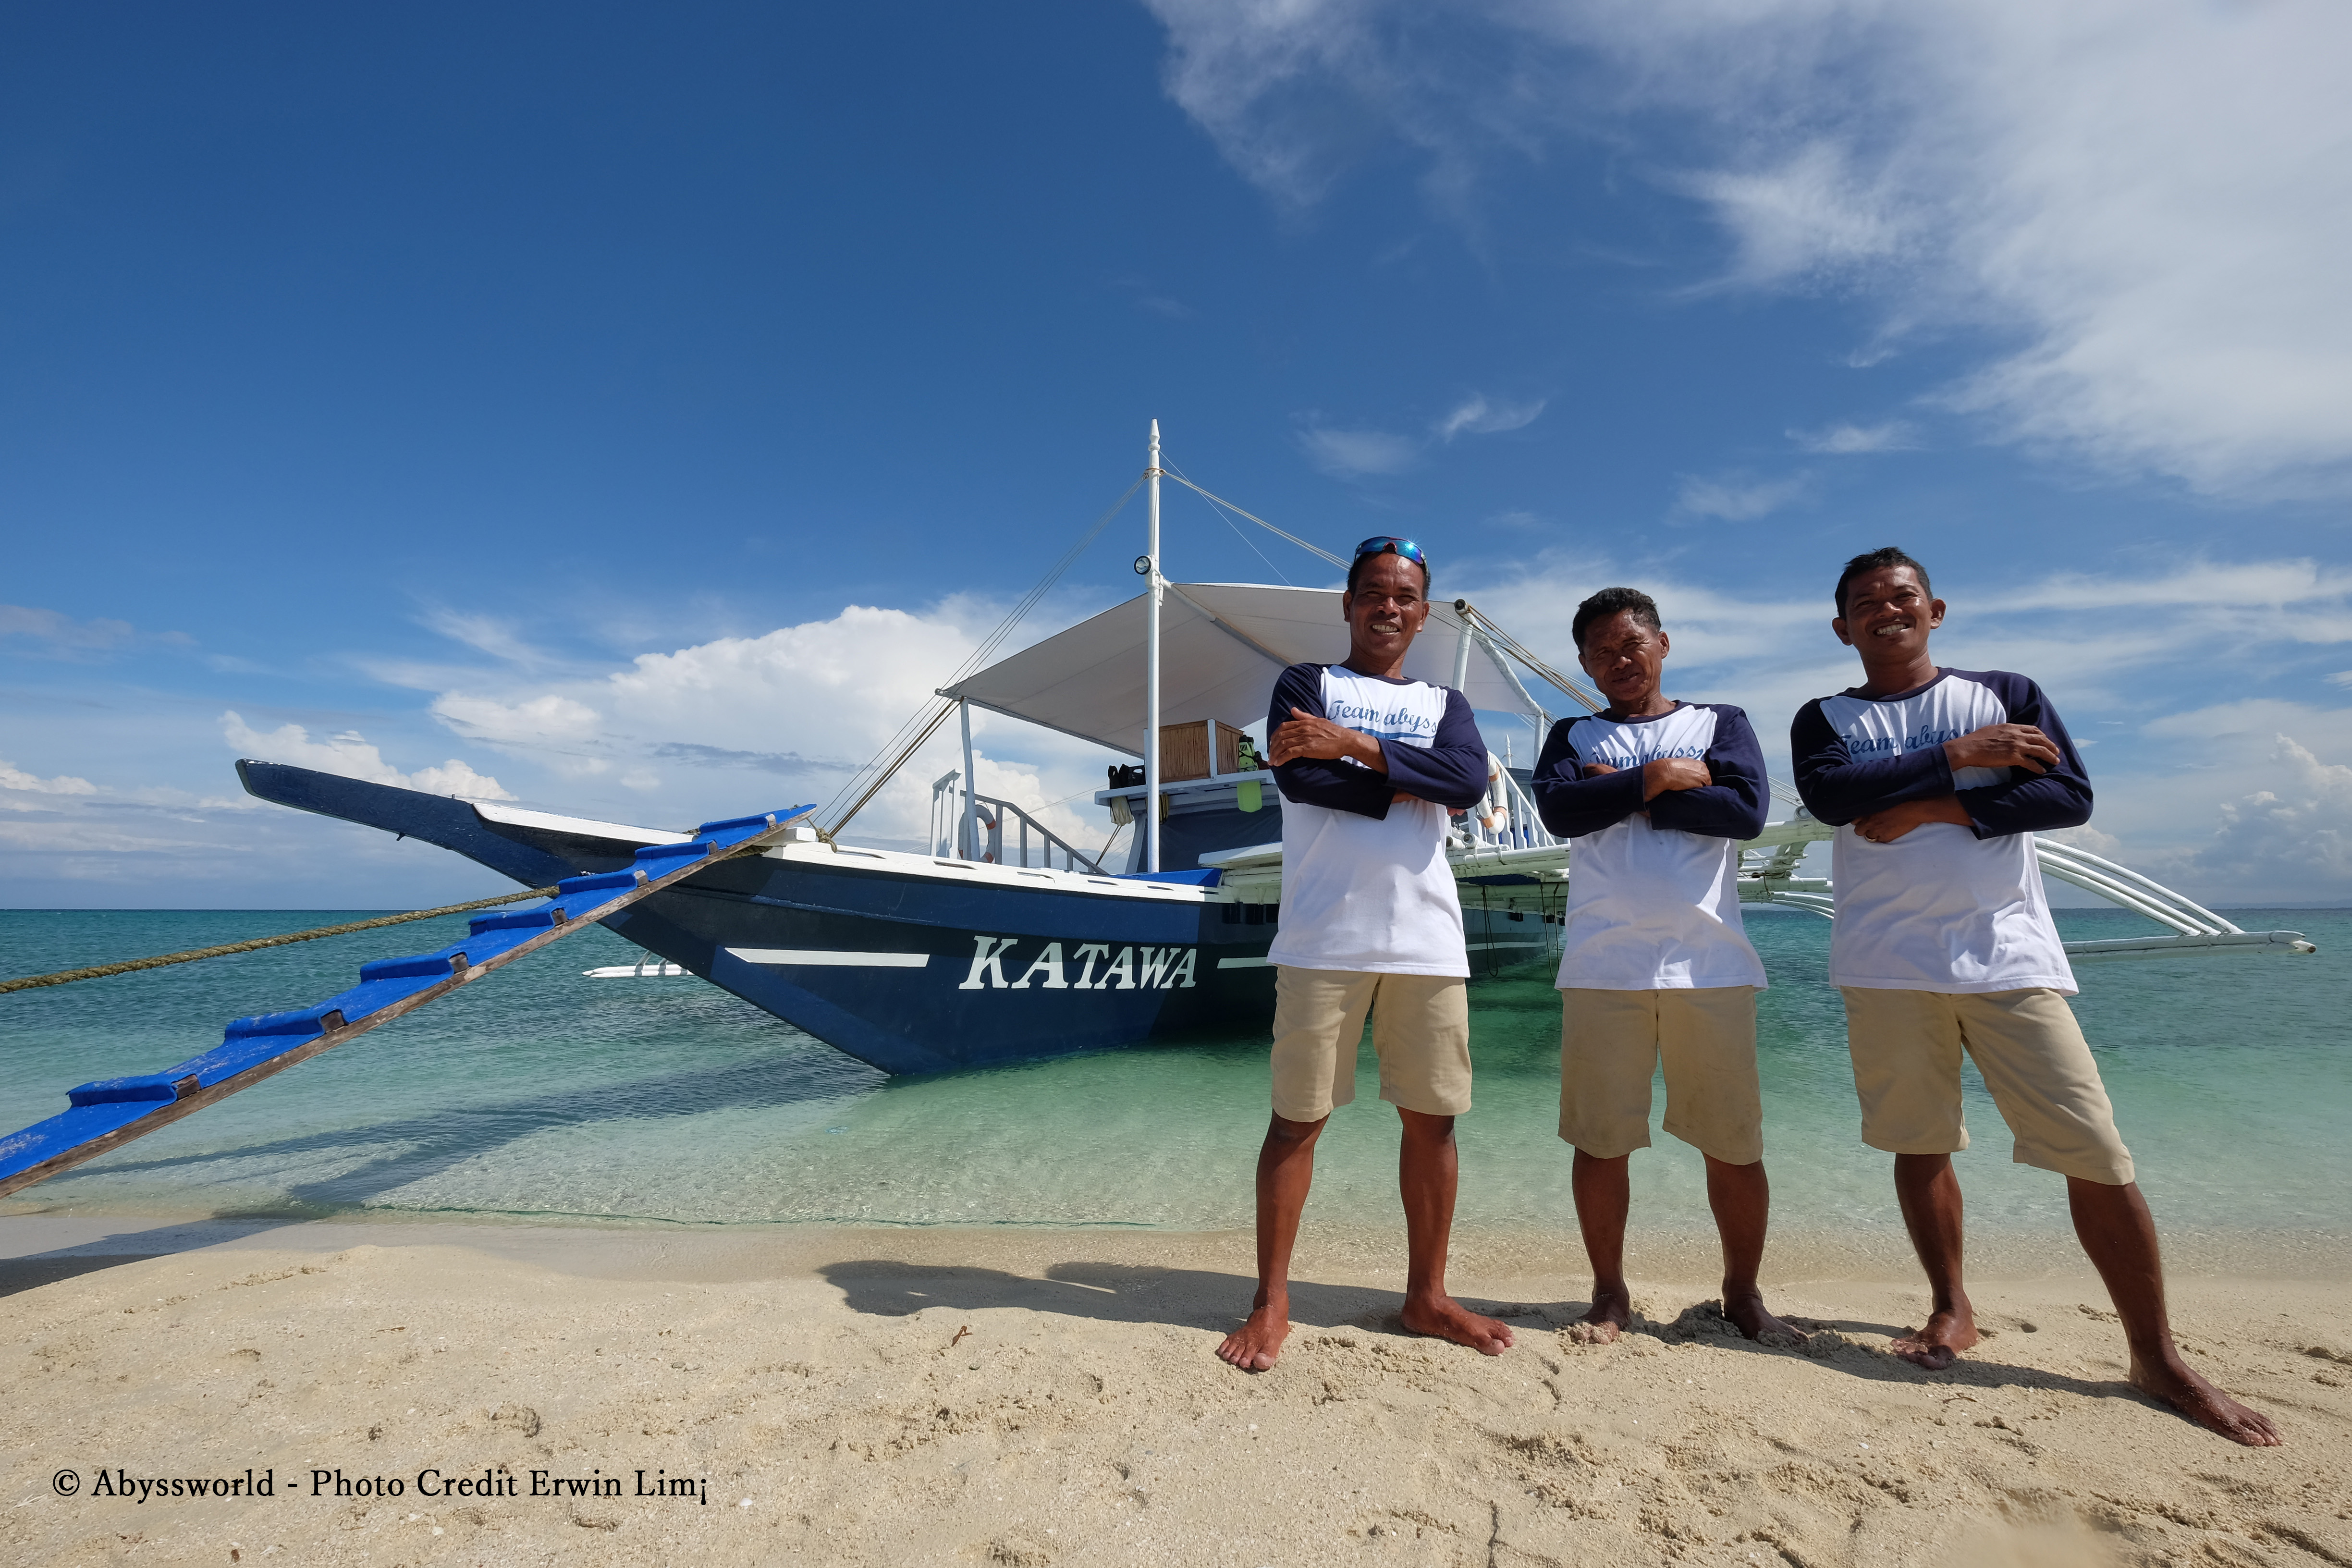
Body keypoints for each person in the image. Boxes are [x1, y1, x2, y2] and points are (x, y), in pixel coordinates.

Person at [1792, 546, 2279, 1446]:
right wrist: (1963, 758)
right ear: (1842, 627)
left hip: (2008, 958)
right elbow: (1831, 796)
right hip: (1886, 963)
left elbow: (2066, 795)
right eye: (1866, 604)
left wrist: (1934, 806)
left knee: (2095, 1150)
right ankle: (1951, 1307)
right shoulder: (1825, 717)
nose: (1886, 611)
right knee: (1919, 1142)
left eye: (1902, 597)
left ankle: (2157, 1355)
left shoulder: (2005, 692)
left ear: (1936, 610)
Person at [1215, 537, 1516, 1372]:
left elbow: (1468, 783)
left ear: (1424, 614)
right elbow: (1300, 779)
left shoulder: (1446, 702)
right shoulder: (1306, 684)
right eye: (1374, 593)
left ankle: (1428, 1296)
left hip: (1428, 940)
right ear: (1348, 606)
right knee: (1297, 1120)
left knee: (1433, 1121)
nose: (1390, 607)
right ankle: (1272, 1300)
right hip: (1323, 936)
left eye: (1405, 596)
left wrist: (1352, 746)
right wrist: (1415, 780)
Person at [1531, 587, 1802, 1346]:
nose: (1620, 661)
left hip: (1709, 964)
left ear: (1663, 644)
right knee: (1600, 1142)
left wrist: (1614, 791)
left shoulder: (1720, 723)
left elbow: (1744, 813)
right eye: (1602, 652)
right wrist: (1660, 780)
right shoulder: (1571, 733)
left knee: (1734, 1145)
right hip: (1602, 966)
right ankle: (1609, 1294)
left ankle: (1743, 1294)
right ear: (1584, 664)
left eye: (1633, 644)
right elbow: (1560, 812)